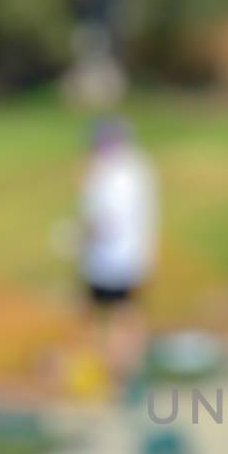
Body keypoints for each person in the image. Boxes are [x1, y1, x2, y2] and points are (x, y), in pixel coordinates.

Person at [78, 119, 157, 389]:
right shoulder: (137, 168)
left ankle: (115, 372)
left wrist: (80, 234)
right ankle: (125, 369)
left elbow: (104, 220)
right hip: (132, 255)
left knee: (113, 316)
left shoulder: (111, 175)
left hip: (111, 259)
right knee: (126, 313)